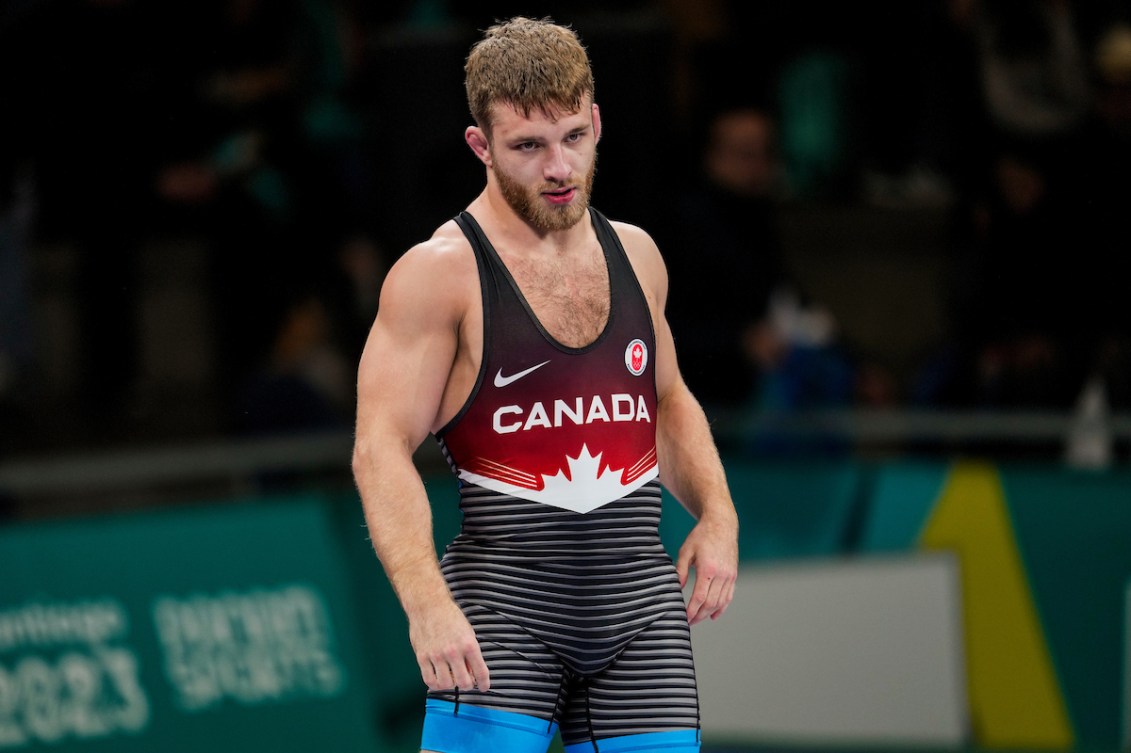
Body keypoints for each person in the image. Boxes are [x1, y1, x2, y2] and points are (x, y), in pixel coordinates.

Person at [350, 16, 739, 753]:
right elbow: (378, 449)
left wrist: (717, 514)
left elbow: (666, 399)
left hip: (639, 613)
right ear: (481, 147)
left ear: (596, 123)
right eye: (527, 147)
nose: (558, 167)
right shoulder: (439, 274)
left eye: (571, 138)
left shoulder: (637, 255)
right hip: (503, 616)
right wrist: (425, 600)